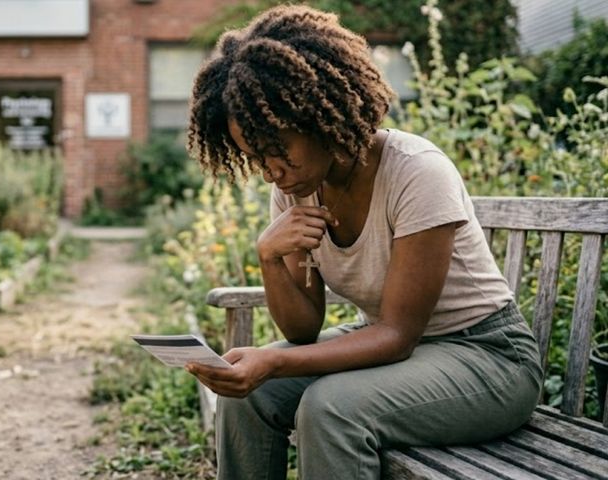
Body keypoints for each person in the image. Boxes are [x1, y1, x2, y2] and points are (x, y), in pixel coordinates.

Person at [184, 6, 542, 480]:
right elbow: (302, 331)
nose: (270, 170)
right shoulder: (295, 188)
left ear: (316, 118)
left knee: (331, 409)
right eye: (256, 158)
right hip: (401, 350)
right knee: (247, 395)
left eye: (278, 150)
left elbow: (396, 335)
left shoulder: (416, 172)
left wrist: (272, 361)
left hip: (488, 358)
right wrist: (270, 257)